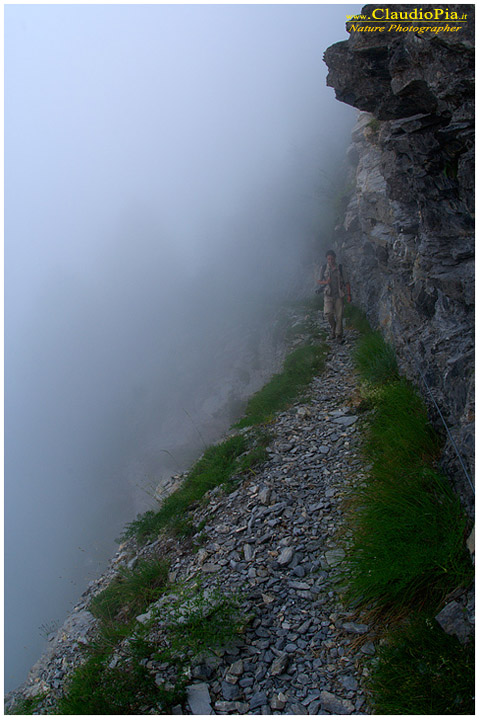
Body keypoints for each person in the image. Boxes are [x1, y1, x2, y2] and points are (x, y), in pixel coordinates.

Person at [316, 249, 351, 342]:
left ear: (335, 258)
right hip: (328, 295)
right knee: (328, 314)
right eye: (328, 259)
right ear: (326, 259)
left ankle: (338, 335)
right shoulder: (323, 268)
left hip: (339, 295)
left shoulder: (340, 268)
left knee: (339, 315)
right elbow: (319, 281)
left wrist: (349, 295)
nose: (330, 261)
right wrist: (326, 282)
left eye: (332, 259)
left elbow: (347, 282)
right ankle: (333, 327)